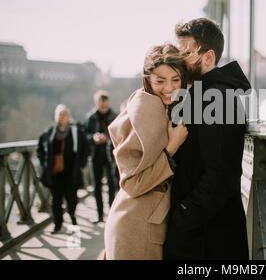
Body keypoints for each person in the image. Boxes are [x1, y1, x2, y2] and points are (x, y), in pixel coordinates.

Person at [163, 18, 251, 260]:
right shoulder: (200, 96)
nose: (179, 61)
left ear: (209, 57)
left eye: (186, 54)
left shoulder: (218, 99)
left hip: (208, 241)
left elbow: (221, 176)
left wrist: (182, 216)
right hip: (200, 235)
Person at [104, 43, 188, 260]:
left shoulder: (159, 105)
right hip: (136, 228)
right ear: (147, 79)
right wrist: (173, 146)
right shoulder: (146, 109)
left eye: (176, 80)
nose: (169, 88)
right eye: (160, 81)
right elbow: (133, 183)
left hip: (138, 223)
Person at [37, 104, 88, 234]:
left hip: (72, 172)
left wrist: (82, 164)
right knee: (56, 201)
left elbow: (86, 148)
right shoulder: (49, 132)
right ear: (55, 116)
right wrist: (44, 163)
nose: (61, 116)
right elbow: (40, 149)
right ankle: (57, 224)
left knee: (72, 199)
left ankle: (72, 218)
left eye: (64, 114)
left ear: (68, 116)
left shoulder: (76, 131)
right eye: (59, 114)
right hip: (55, 173)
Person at [85, 90, 118, 223]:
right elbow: (85, 136)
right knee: (97, 186)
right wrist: (93, 138)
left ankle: (112, 214)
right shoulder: (91, 118)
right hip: (95, 155)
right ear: (97, 103)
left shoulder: (115, 116)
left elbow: (119, 135)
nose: (103, 107)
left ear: (108, 102)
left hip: (111, 157)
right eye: (101, 105)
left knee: (112, 185)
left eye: (105, 105)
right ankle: (99, 215)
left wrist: (108, 138)